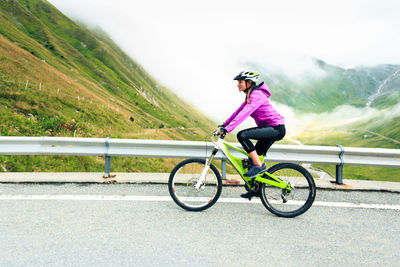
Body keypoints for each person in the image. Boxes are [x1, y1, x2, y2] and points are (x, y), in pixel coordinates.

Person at [217, 71, 286, 198]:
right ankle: (257, 189)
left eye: (240, 82)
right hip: (269, 129)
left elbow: (245, 114)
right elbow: (238, 112)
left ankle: (259, 167)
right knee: (252, 159)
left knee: (242, 135)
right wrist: (224, 125)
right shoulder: (249, 96)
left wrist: (229, 129)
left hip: (276, 129)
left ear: (249, 83)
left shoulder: (257, 96)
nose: (238, 85)